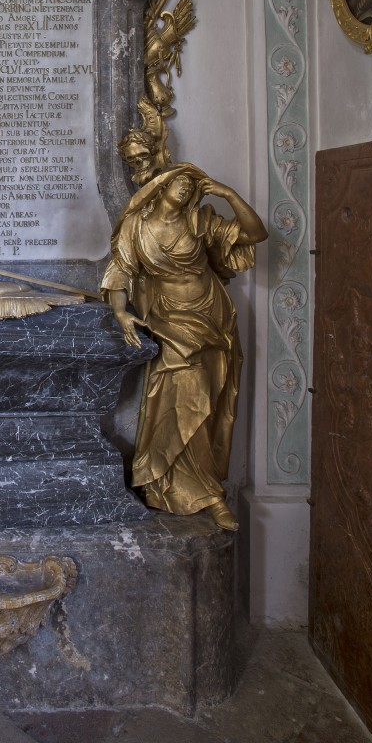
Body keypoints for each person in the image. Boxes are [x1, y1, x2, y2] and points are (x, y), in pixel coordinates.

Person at [102, 163, 266, 531]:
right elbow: (121, 269)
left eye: (192, 185)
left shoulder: (201, 221)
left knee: (211, 402)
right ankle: (173, 483)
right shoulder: (137, 225)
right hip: (169, 318)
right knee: (181, 394)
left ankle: (205, 489)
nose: (185, 188)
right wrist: (120, 312)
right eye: (179, 181)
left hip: (213, 315)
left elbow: (256, 234)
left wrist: (228, 194)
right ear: (161, 186)